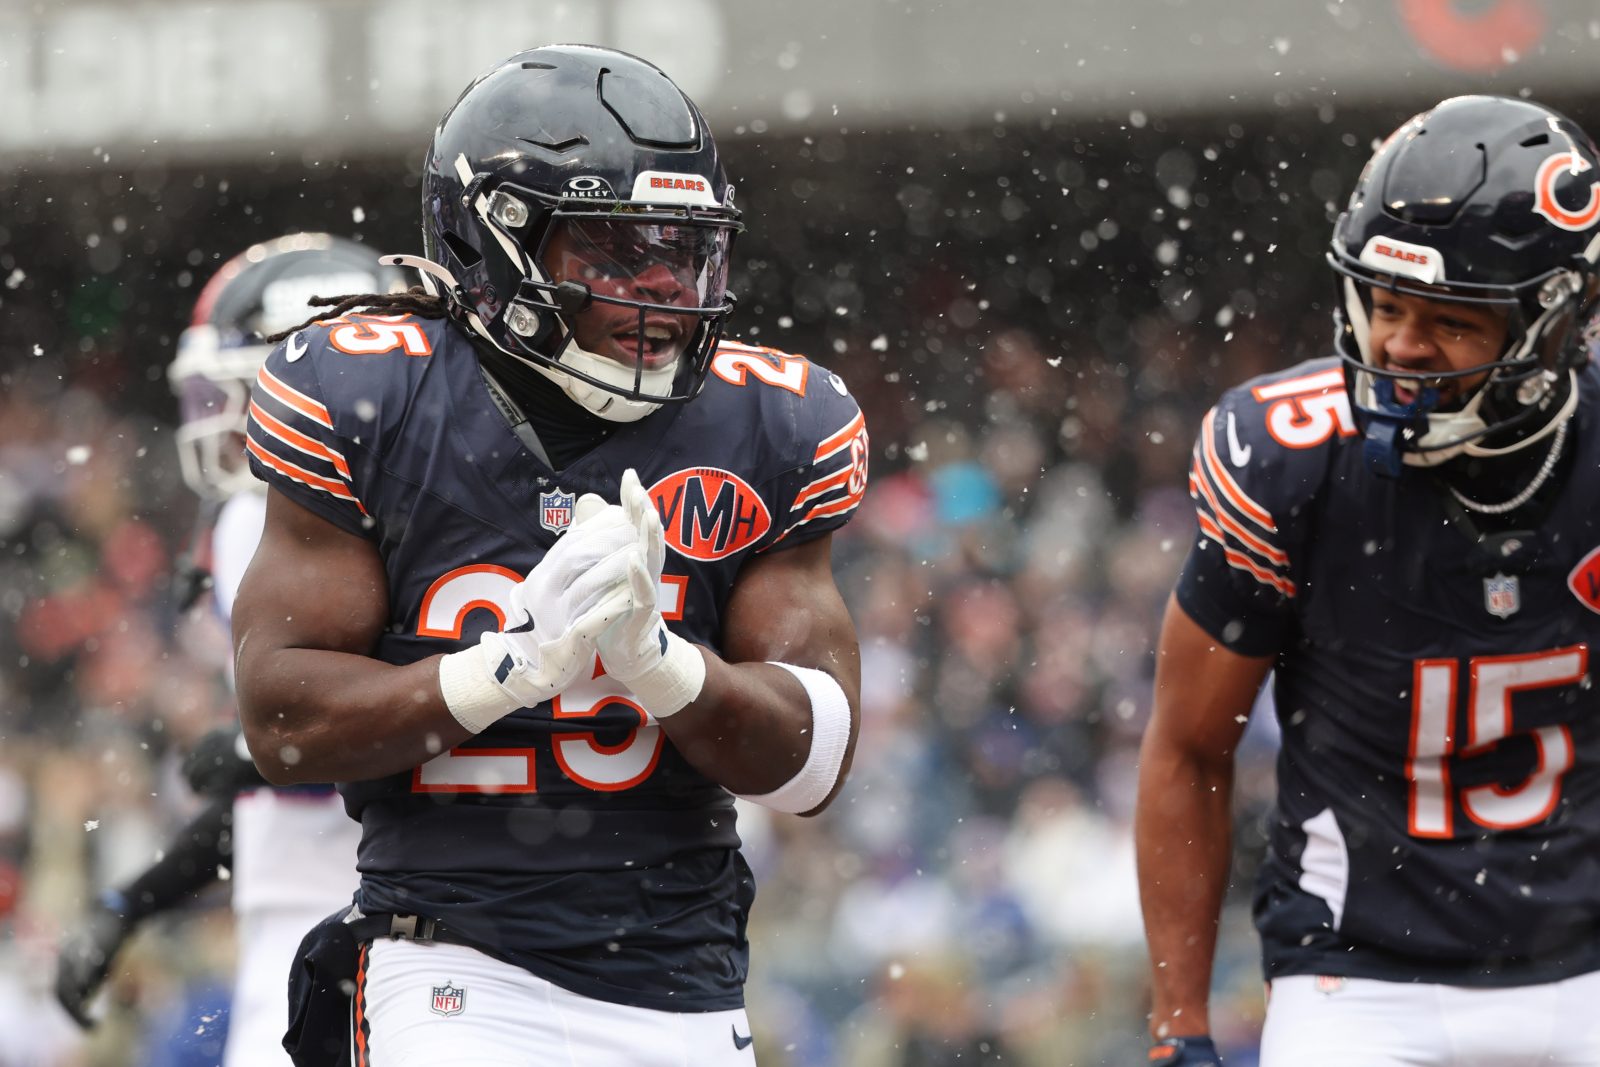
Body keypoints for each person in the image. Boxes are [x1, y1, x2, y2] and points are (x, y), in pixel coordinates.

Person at [231, 44, 868, 1066]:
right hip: (448, 962)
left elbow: (812, 765)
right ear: (493, 244)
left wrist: (662, 665)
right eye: (616, 250)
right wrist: (511, 668)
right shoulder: (367, 393)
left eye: (682, 248)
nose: (663, 288)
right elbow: (282, 720)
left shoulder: (774, 420)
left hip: (687, 980)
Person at [1136, 94, 1600, 1067]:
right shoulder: (1289, 460)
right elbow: (1185, 747)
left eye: (1449, 319)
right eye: (1386, 304)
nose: (1397, 348)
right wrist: (1178, 1023)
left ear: (1556, 327)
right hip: (1360, 974)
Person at [54, 234, 404, 1066]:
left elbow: (416, 725)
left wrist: (265, 748)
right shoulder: (249, 523)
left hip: (391, 913)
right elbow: (267, 799)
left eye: (243, 389)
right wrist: (132, 901)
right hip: (307, 911)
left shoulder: (357, 526)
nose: (225, 417)